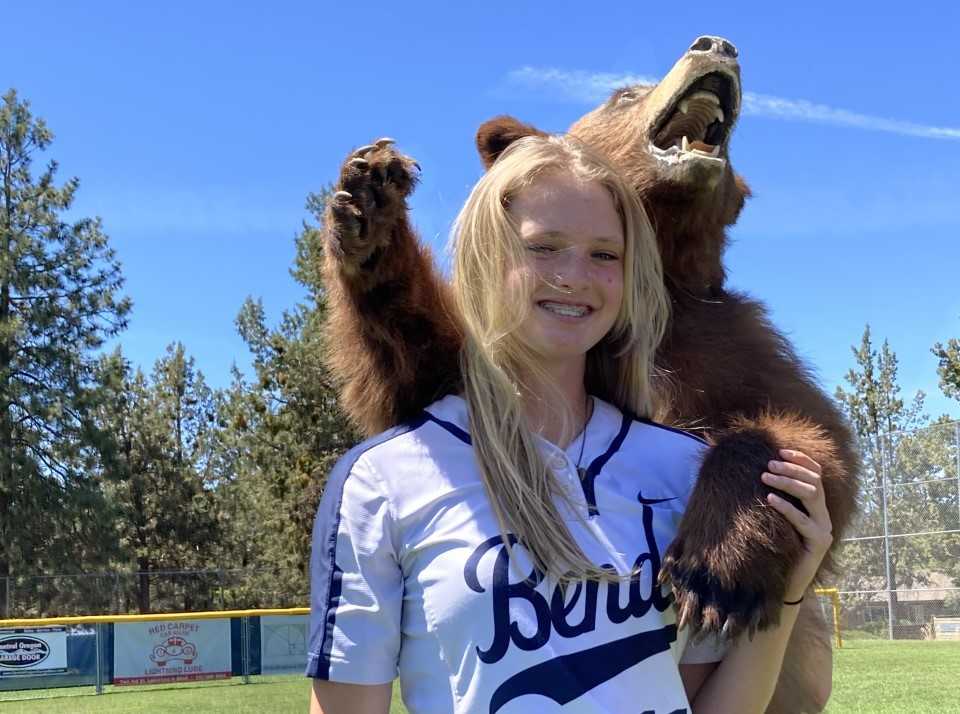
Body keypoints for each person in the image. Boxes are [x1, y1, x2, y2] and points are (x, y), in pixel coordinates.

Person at [306, 135, 833, 714]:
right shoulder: (384, 480)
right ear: (489, 255)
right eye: (544, 247)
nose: (575, 276)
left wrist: (787, 591)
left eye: (604, 254)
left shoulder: (684, 471)